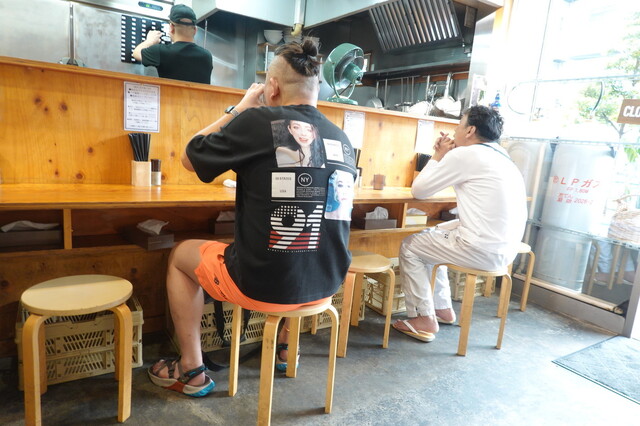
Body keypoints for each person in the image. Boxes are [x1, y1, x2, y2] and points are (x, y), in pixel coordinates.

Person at [147, 38, 357, 396]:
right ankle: (286, 348)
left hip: (265, 287)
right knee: (304, 242)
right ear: (316, 87)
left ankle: (191, 369)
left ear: (272, 88)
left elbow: (189, 157)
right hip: (327, 283)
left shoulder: (259, 120)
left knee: (180, 256)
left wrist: (240, 108)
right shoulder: (342, 137)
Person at [392, 105, 527, 342]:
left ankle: (423, 317)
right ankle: (442, 308)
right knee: (433, 239)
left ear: (470, 130)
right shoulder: (504, 158)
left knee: (411, 246)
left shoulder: (467, 154)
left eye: (458, 125)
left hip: (480, 249)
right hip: (506, 253)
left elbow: (419, 191)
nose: (455, 132)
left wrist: (438, 155)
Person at [132, 4, 213, 84]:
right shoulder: (207, 56)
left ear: (171, 28)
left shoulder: (161, 51)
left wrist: (150, 41)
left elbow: (136, 53)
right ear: (195, 30)